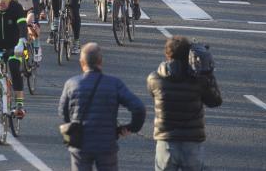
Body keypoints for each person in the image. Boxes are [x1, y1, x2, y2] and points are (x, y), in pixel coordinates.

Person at [59, 43, 146, 171]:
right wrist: (130, 127)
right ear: (101, 61)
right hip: (106, 142)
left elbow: (62, 111)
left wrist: (72, 125)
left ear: (82, 62)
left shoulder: (72, 84)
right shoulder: (114, 84)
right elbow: (138, 108)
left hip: (81, 142)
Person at [148, 36, 222, 171]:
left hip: (166, 141)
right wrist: (208, 73)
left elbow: (152, 93)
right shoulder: (199, 80)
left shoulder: (155, 79)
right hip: (192, 142)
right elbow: (215, 101)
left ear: (167, 54)